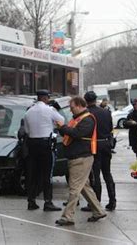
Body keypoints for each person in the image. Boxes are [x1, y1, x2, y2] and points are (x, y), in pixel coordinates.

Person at [55, 96, 107, 226]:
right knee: (84, 187)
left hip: (81, 158)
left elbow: (77, 133)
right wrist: (63, 128)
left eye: (72, 108)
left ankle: (68, 216)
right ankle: (99, 211)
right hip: (78, 157)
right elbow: (70, 134)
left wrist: (63, 127)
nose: (71, 111)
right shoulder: (78, 118)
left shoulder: (88, 119)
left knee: (74, 188)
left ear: (79, 105)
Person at [23, 90, 64, 211]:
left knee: (33, 173)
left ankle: (31, 201)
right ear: (46, 98)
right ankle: (48, 202)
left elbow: (26, 130)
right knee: (47, 174)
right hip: (46, 144)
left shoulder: (28, 112)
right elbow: (61, 121)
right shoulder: (50, 110)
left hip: (32, 144)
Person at [81, 91, 116, 212]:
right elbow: (111, 128)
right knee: (107, 173)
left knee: (95, 175)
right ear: (96, 100)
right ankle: (112, 200)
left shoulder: (87, 114)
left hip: (94, 145)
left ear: (85, 101)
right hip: (106, 144)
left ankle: (95, 202)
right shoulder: (106, 112)